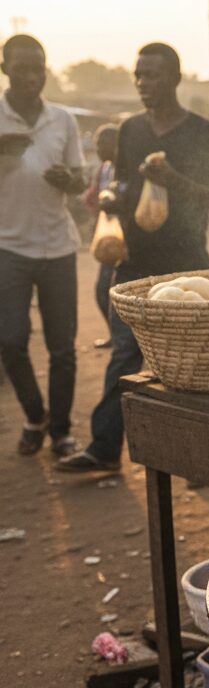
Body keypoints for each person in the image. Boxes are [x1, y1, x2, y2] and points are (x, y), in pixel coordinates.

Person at [58, 42, 209, 473]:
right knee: (123, 354)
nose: (142, 83)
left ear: (173, 78)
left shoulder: (204, 133)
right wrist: (113, 197)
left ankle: (198, 461)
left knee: (190, 366)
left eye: (150, 75)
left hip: (187, 264)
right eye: (138, 75)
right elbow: (120, 183)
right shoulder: (130, 130)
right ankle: (104, 448)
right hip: (134, 264)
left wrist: (174, 180)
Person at [0, 34, 86, 456]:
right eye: (22, 68)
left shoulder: (62, 119)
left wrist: (69, 181)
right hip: (7, 247)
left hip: (58, 245)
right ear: (5, 70)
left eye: (39, 67)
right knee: (11, 341)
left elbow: (81, 178)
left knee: (62, 347)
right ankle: (35, 415)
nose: (33, 76)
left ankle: (61, 432)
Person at [83, 123, 119, 347]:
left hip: (123, 242)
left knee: (110, 291)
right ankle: (117, 337)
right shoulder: (102, 169)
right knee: (102, 291)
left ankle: (125, 340)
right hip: (108, 239)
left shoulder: (123, 170)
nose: (97, 149)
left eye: (101, 144)